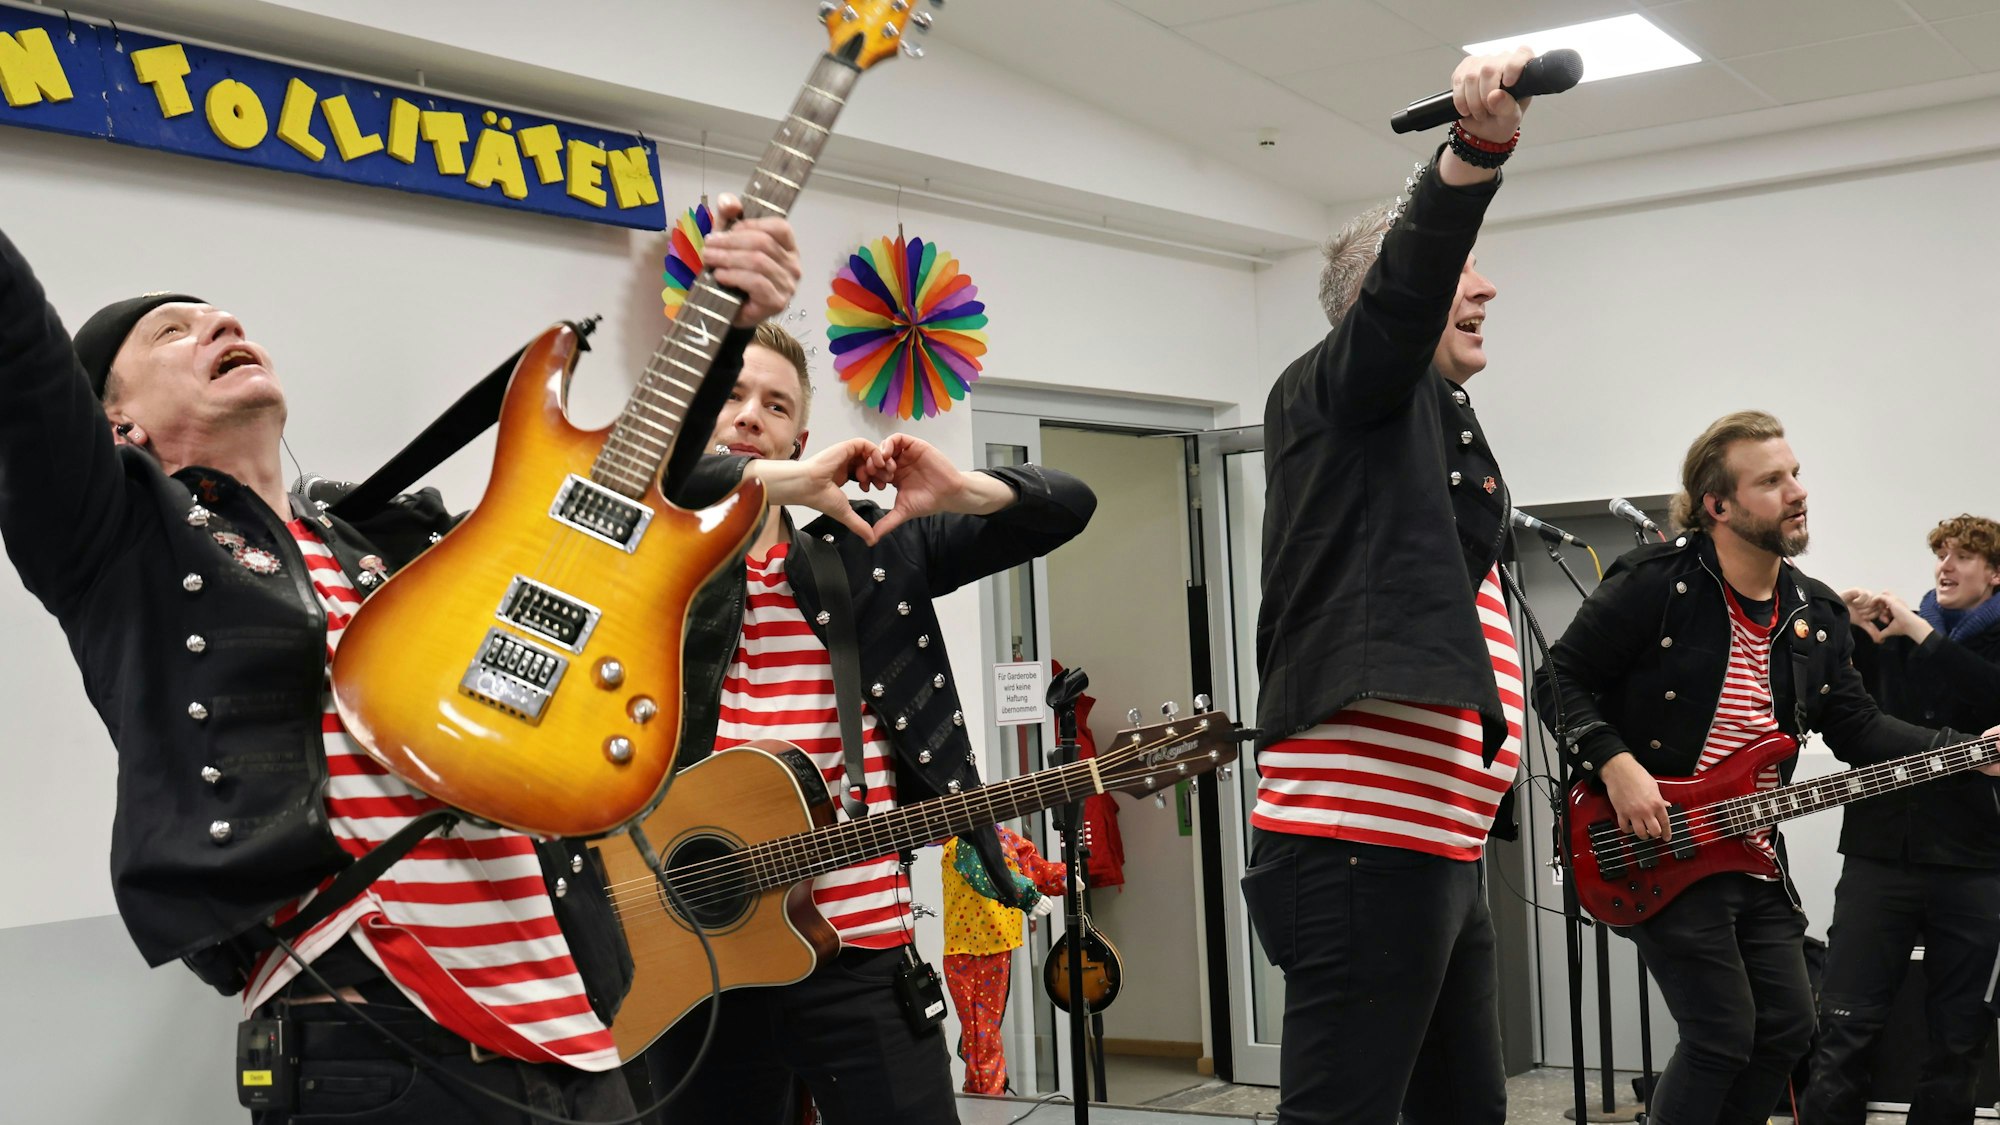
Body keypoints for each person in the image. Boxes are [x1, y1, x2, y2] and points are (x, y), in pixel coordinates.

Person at [0, 196, 802, 1123]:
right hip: (371, 1033)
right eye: (171, 333)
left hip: (577, 1024)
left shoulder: (383, 542)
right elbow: (20, 360)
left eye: (221, 315)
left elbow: (603, 541)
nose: (218, 322)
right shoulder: (123, 545)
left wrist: (715, 339)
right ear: (114, 426)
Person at [638, 321, 1096, 1124]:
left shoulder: (870, 549)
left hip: (860, 951)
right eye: (732, 398)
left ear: (802, 438)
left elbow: (1067, 508)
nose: (750, 416)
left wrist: (964, 492)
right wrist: (762, 484)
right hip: (695, 955)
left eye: (775, 405)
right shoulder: (641, 560)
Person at [1537, 411, 1998, 1125]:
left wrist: (1967, 751)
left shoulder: (1812, 611)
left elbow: (1862, 726)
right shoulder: (1658, 583)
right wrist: (1617, 763)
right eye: (1772, 481)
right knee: (1722, 1034)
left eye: (1796, 474)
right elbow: (1558, 678)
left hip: (1749, 851)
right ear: (1718, 505)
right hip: (1656, 840)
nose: (1797, 491)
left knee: (1787, 1027)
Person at [1239, 47, 1535, 1125]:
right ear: (1392, 297)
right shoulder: (1341, 388)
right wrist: (1474, 153)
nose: (1486, 286)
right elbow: (1407, 287)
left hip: (1434, 845)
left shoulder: (1428, 424)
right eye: (1463, 270)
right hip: (1362, 845)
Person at [1798, 515, 2000, 1124]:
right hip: (1879, 855)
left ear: (1994, 573)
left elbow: (1988, 694)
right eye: (1941, 553)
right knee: (1844, 1028)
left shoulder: (1947, 640)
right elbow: (1854, 725)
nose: (1945, 565)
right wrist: (1851, 631)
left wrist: (1919, 632)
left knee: (1958, 1039)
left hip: (1976, 863)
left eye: (1963, 556)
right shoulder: (1894, 640)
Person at [941, 825, 1065, 1096]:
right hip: (970, 949)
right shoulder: (961, 843)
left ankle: (987, 1093)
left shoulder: (1003, 836)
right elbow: (985, 872)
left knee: (986, 1029)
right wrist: (1027, 896)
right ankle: (987, 1095)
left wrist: (1062, 877)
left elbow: (1028, 861)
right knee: (980, 1030)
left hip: (997, 945)